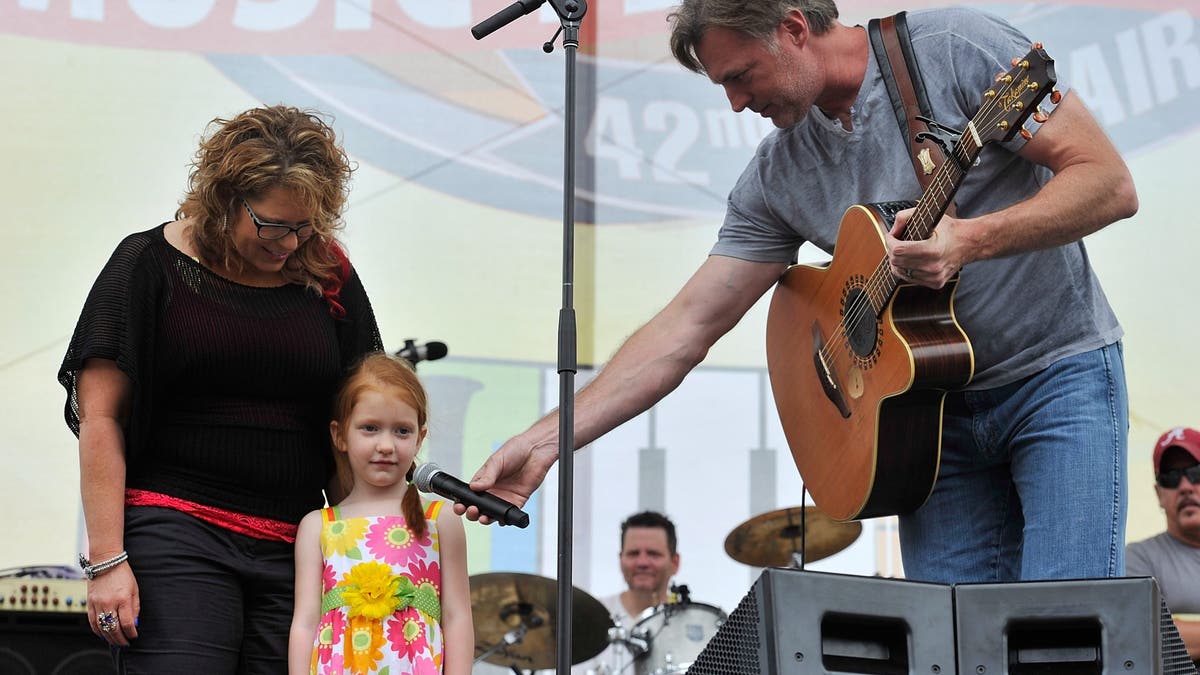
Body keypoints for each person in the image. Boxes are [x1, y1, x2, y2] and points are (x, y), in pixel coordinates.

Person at [458, 0, 1138, 585]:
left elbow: (1109, 183)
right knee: (955, 647)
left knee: (1069, 630)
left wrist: (970, 240)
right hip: (924, 423)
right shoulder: (778, 173)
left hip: (1057, 379)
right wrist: (546, 441)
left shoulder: (955, 48)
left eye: (739, 76)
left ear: (791, 29)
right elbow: (685, 328)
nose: (734, 101)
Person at [58, 105, 384, 673]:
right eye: (272, 224)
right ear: (225, 197)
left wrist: (374, 541)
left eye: (305, 226)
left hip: (299, 545)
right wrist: (106, 561)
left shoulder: (328, 273)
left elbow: (361, 412)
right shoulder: (149, 263)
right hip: (175, 531)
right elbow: (101, 418)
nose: (288, 243)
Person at [289, 352, 472, 675]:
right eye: (370, 428)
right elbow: (305, 621)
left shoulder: (440, 518)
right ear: (340, 435)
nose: (386, 445)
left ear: (420, 439)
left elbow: (457, 615)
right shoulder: (318, 525)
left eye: (402, 431)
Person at [572, 511, 682, 675]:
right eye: (633, 553)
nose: (642, 562)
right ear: (620, 559)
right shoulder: (591, 617)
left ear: (675, 563)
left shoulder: (697, 625)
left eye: (653, 554)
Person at [1126, 427, 1200, 662]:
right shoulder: (1138, 558)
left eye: (1196, 472)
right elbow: (1142, 634)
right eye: (1171, 477)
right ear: (1158, 494)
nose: (1185, 487)